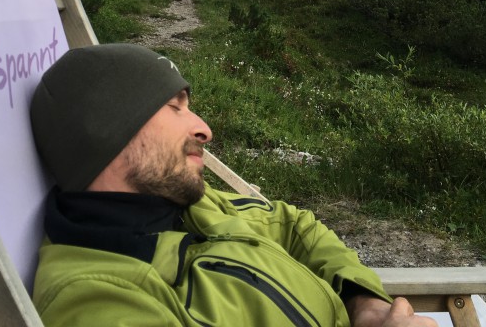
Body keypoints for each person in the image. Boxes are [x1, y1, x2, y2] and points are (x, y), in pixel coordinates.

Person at [30, 43, 437, 327]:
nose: (204, 129)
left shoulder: (181, 204)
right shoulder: (99, 298)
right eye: (174, 108)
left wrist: (361, 303)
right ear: (108, 131)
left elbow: (293, 224)